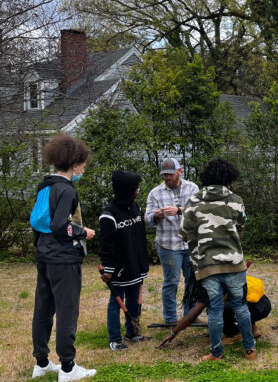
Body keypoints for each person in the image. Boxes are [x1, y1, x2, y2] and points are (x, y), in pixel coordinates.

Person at [30, 134, 97, 381]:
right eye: (84, 164)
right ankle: (68, 368)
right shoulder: (66, 190)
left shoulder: (45, 186)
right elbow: (60, 226)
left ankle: (42, 362)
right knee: (67, 311)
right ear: (75, 163)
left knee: (43, 309)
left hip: (44, 257)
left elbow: (40, 224)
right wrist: (84, 232)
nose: (84, 168)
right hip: (64, 260)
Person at [179, 158, 256, 361]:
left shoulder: (194, 201)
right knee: (240, 306)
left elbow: (184, 232)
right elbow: (241, 228)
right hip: (234, 264)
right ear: (229, 179)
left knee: (214, 310)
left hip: (207, 265)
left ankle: (216, 353)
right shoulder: (236, 200)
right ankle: (250, 350)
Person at [98, 171, 151, 351]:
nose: (138, 191)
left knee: (134, 301)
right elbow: (107, 244)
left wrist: (143, 264)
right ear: (127, 189)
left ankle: (133, 333)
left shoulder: (135, 208)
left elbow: (140, 238)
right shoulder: (109, 214)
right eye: (135, 188)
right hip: (119, 270)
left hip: (135, 267)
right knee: (116, 303)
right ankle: (115, 339)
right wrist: (109, 268)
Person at [144, 158, 198, 325]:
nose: (167, 177)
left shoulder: (193, 188)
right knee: (171, 282)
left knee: (192, 281)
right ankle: (171, 318)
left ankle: (190, 315)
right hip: (168, 244)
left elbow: (200, 210)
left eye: (170, 174)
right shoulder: (155, 192)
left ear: (179, 171)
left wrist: (180, 210)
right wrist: (156, 215)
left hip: (190, 244)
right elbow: (147, 219)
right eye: (164, 174)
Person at [158, 272, 271, 348]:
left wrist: (174, 332)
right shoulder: (223, 270)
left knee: (214, 309)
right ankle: (252, 327)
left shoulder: (210, 284)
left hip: (254, 308)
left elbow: (193, 315)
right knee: (235, 301)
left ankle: (233, 334)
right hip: (264, 305)